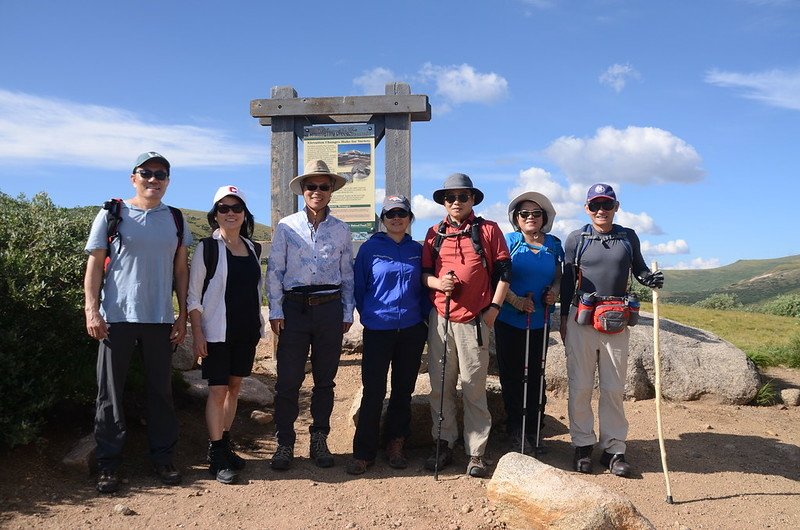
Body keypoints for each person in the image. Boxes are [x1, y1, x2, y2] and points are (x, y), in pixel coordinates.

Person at [84, 151, 192, 493]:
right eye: (146, 172)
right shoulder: (111, 214)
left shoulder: (176, 219)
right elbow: (94, 265)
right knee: (109, 394)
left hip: (159, 318)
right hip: (116, 317)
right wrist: (91, 310)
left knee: (161, 392)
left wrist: (183, 315)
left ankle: (162, 458)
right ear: (134, 178)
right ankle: (108, 465)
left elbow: (180, 270)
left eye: (160, 174)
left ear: (168, 181)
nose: (153, 179)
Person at [560, 183, 664, 477]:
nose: (601, 210)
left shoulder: (628, 237)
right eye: (595, 205)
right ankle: (582, 445)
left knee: (613, 388)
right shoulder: (576, 239)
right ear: (587, 209)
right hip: (581, 317)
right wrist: (562, 320)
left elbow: (639, 269)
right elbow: (568, 280)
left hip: (617, 319)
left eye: (607, 205)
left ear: (616, 207)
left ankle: (613, 449)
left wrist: (650, 279)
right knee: (580, 386)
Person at [421, 173, 512, 478]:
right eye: (450, 197)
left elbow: (503, 272)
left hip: (475, 319)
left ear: (472, 199)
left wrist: (494, 310)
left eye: (462, 197)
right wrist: (438, 282)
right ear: (443, 202)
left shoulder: (487, 230)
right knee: (441, 385)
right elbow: (424, 275)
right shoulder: (434, 233)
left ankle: (476, 452)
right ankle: (443, 442)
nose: (456, 202)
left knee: (474, 387)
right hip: (441, 319)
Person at [267, 159, 355, 470]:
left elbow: (347, 274)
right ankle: (285, 442)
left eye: (323, 186)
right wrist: (275, 308)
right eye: (311, 186)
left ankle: (320, 438)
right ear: (302, 191)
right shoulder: (286, 227)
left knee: (325, 380)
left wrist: (347, 310)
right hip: (294, 309)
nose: (317, 191)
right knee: (288, 380)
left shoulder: (342, 230)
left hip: (329, 308)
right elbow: (275, 270)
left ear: (332, 191)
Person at [346, 195, 429, 475]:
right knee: (374, 391)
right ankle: (364, 452)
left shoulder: (417, 249)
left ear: (409, 218)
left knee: (403, 390)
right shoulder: (370, 249)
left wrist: (424, 319)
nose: (396, 218)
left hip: (411, 329)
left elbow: (426, 286)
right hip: (378, 329)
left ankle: (396, 444)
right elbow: (359, 287)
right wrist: (369, 315)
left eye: (402, 214)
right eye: (390, 214)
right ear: (383, 219)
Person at [187, 185, 264, 484]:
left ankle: (226, 444)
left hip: (245, 331)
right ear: (215, 214)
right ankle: (216, 453)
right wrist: (197, 333)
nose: (230, 213)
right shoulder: (207, 248)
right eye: (224, 208)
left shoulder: (253, 248)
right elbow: (193, 296)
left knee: (234, 388)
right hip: (217, 332)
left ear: (245, 214)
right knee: (218, 391)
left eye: (236, 208)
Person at [494, 192, 563, 452]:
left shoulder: (554, 244)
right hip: (510, 320)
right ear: (516, 218)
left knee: (537, 376)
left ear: (544, 217)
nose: (530, 218)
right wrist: (515, 301)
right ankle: (516, 430)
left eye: (536, 214)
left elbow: (558, 276)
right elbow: (496, 276)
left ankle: (535, 430)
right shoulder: (508, 241)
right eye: (524, 214)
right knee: (512, 376)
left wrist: (553, 292)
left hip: (539, 320)